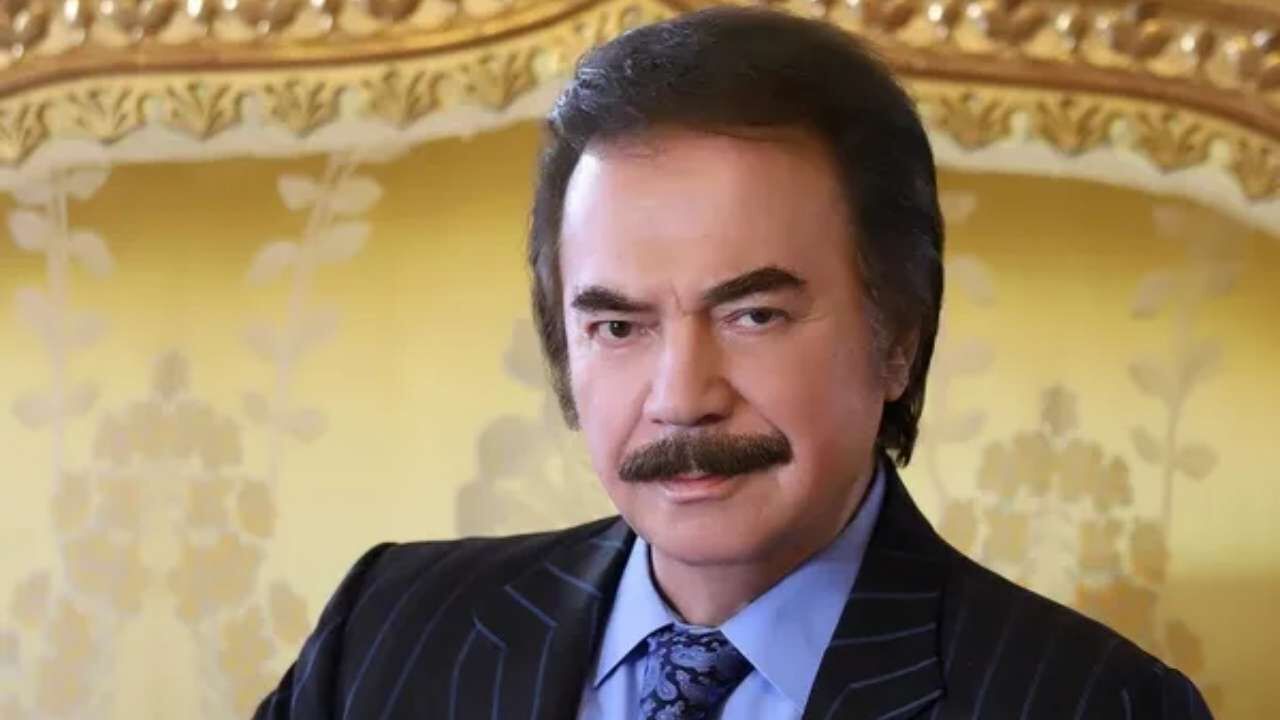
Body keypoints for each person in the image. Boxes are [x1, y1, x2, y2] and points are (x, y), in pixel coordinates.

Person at [255, 7, 1212, 719]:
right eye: (618, 327)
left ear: (898, 339)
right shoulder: (384, 633)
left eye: (754, 315)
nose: (682, 399)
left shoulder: (1096, 703)